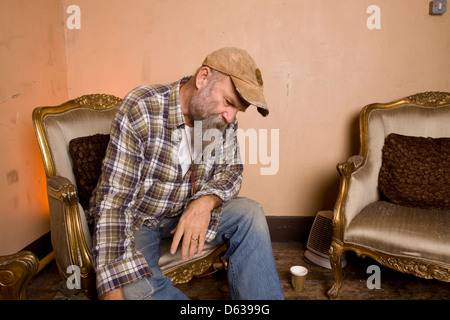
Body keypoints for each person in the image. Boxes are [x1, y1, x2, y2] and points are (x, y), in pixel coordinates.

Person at [88, 47, 284, 300]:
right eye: (228, 102)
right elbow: (114, 202)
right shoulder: (142, 107)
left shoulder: (219, 120)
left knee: (250, 213)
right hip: (138, 219)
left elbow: (231, 171)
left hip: (181, 210)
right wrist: (111, 290)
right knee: (133, 287)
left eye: (238, 110)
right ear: (202, 78)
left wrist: (203, 203)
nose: (231, 117)